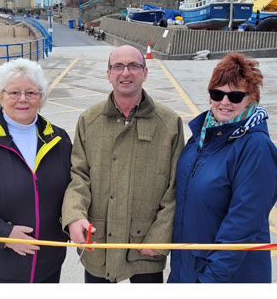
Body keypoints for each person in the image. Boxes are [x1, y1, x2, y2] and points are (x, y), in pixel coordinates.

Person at [61, 45, 185, 283]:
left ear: (145, 73)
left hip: (146, 245)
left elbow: (175, 187)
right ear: (108, 74)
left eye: (134, 66)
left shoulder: (169, 123)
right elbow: (78, 176)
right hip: (98, 243)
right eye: (118, 66)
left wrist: (160, 235)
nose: (125, 72)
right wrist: (74, 216)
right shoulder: (89, 119)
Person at [0, 58, 72, 283]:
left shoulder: (59, 140)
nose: (23, 99)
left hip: (48, 266)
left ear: (41, 97)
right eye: (14, 93)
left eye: (31, 93)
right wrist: (3, 233)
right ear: (0, 96)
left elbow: (74, 189)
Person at [168, 52, 277, 283]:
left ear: (251, 98)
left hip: (225, 279)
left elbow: (243, 226)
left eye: (235, 96)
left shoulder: (255, 147)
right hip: (187, 271)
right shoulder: (202, 137)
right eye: (217, 93)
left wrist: (210, 282)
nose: (224, 102)